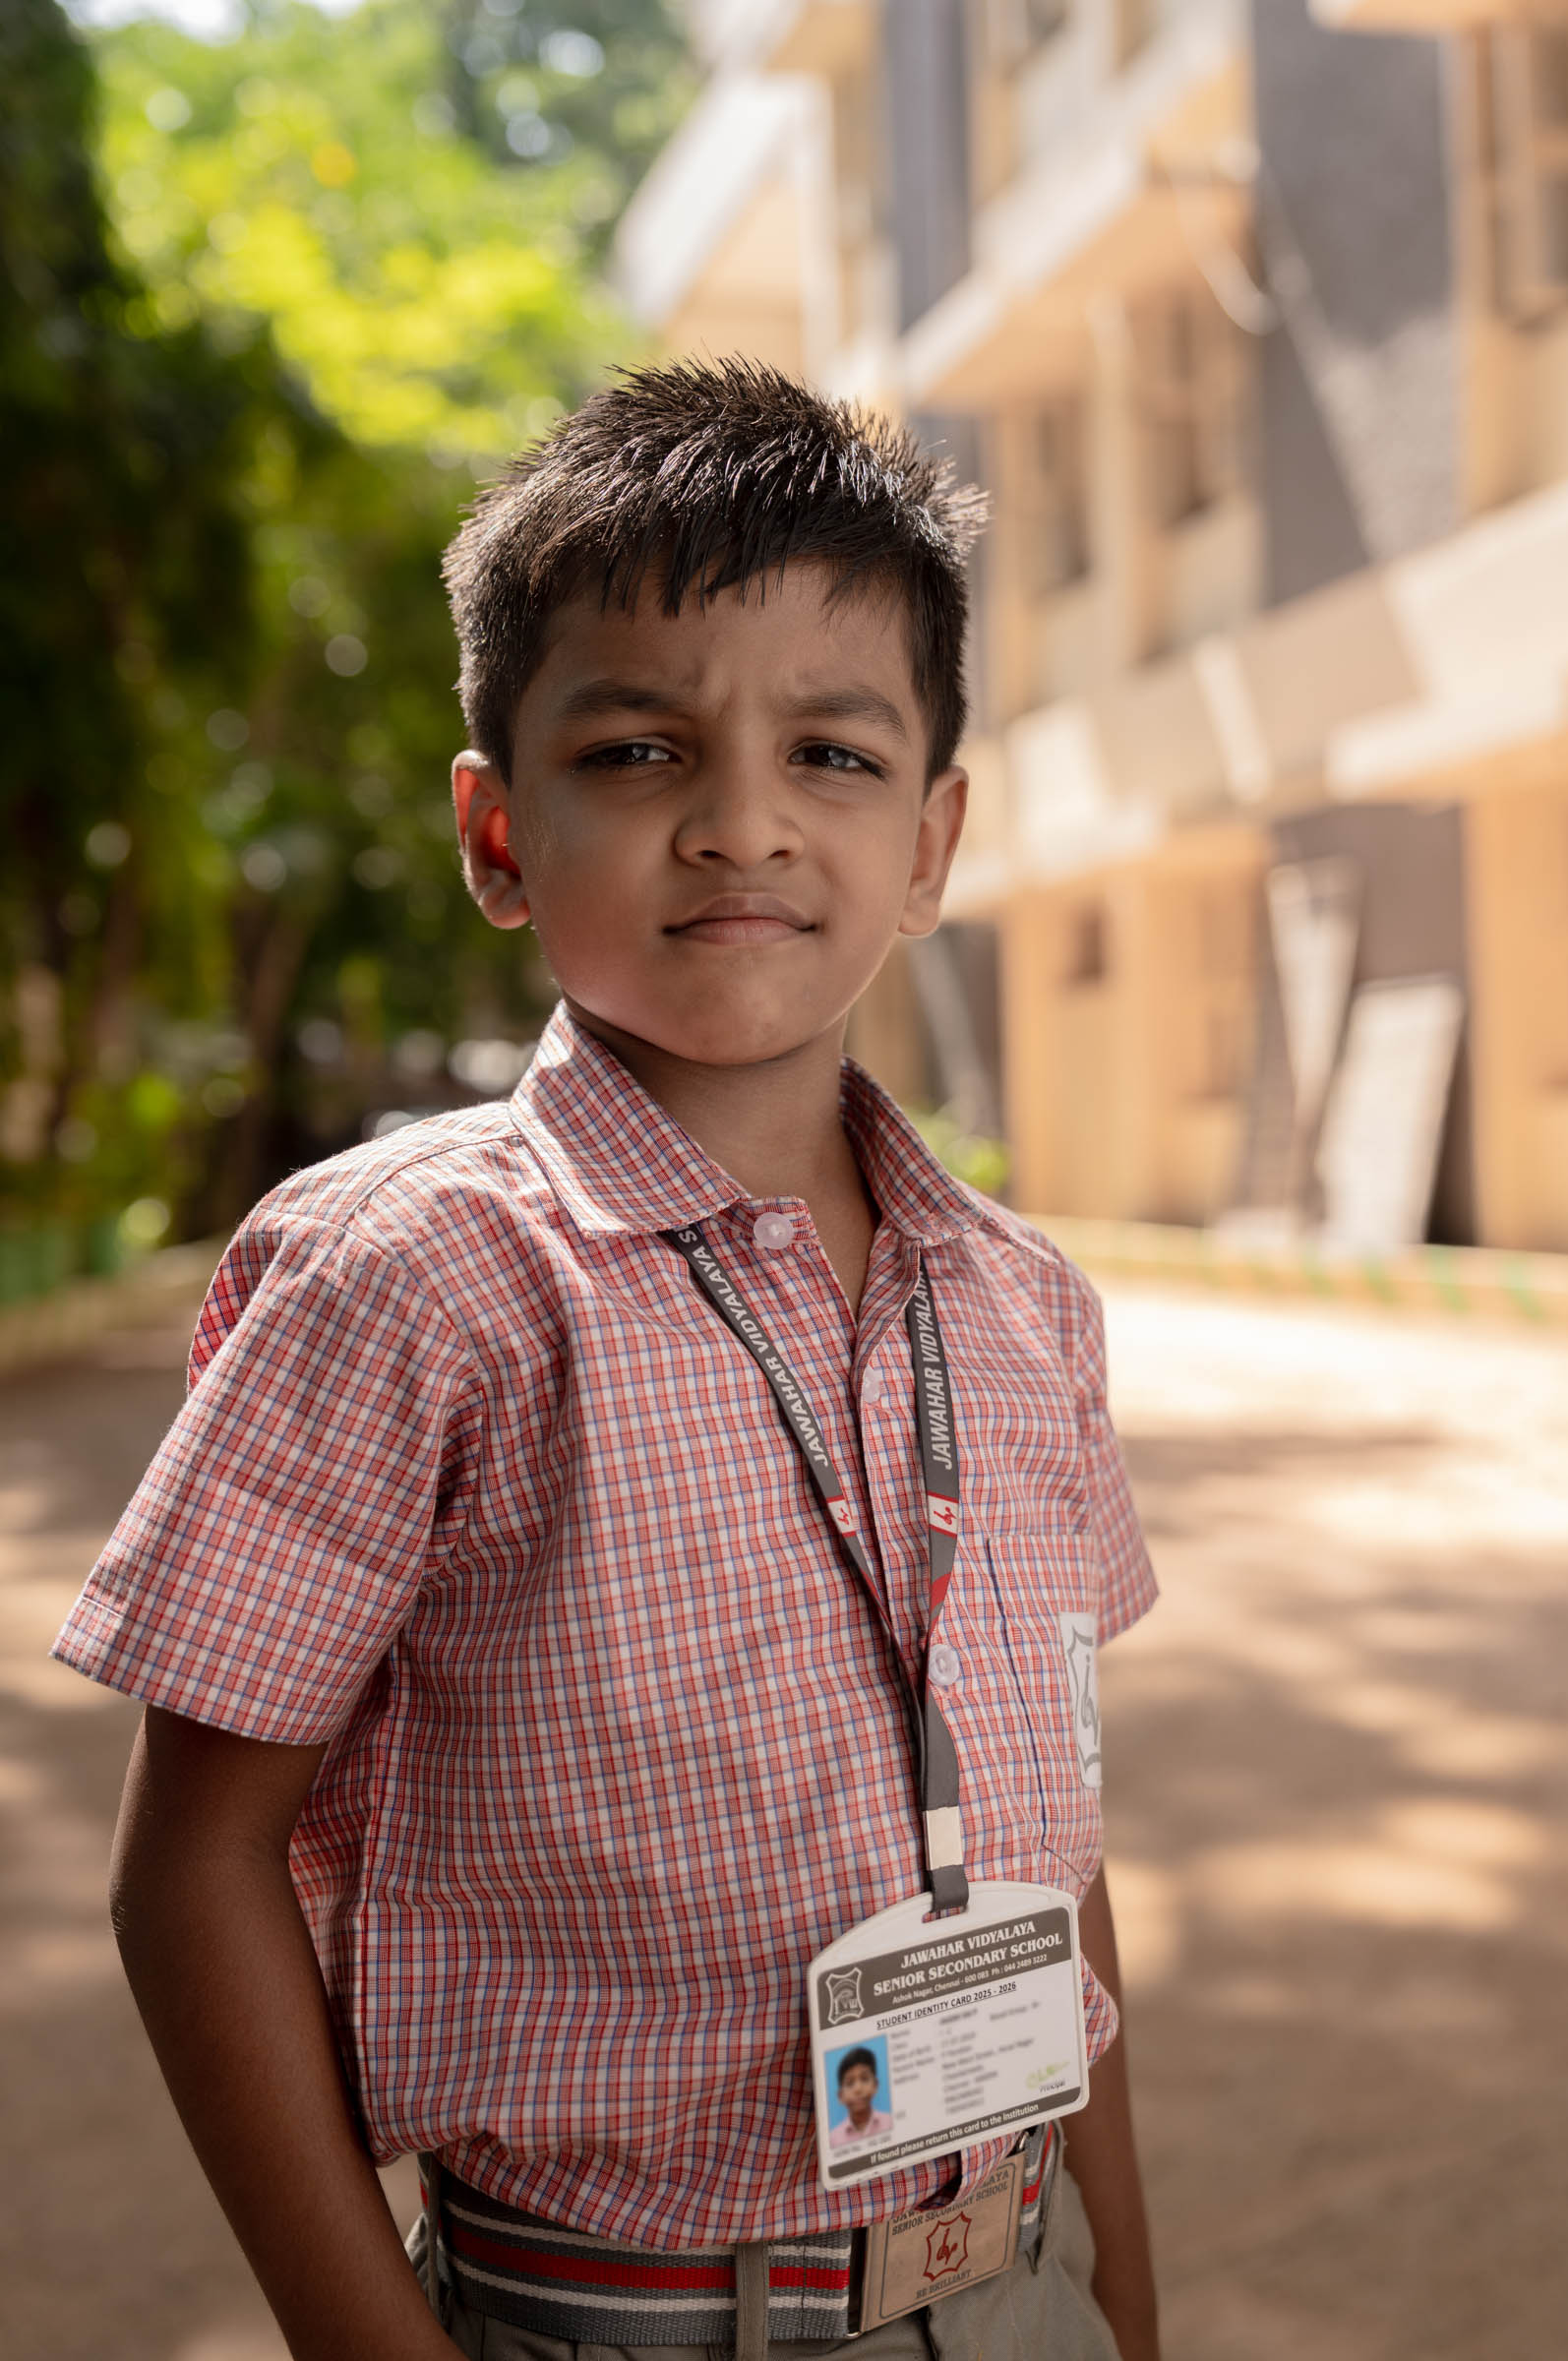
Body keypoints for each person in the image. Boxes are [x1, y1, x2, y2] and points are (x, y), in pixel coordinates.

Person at [54, 359, 1161, 2361]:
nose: (740, 822)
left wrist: (1119, 2311)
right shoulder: (409, 1275)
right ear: (497, 831)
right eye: (640, 751)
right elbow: (191, 1867)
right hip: (621, 2319)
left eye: (829, 755)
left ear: (930, 839)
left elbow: (1049, 1861)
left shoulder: (1023, 1305)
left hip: (1018, 2291)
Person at [829, 2049, 892, 2149]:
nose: (858, 2089)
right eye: (850, 2083)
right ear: (840, 2096)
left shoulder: (890, 2122)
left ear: (875, 2085)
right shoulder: (833, 2139)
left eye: (864, 2078)